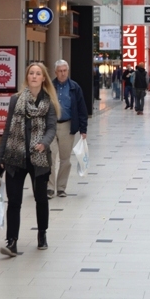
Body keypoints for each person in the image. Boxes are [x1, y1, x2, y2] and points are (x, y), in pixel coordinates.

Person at [0, 63, 60, 256]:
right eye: (31, 73)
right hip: (15, 156)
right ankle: (12, 241)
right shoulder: (16, 100)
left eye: (38, 74)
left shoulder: (49, 102)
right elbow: (7, 129)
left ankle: (42, 234)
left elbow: (51, 128)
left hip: (39, 158)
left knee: (41, 199)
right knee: (14, 201)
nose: (34, 76)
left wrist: (44, 143)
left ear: (43, 78)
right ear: (27, 77)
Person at [49, 59, 88, 198]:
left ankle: (61, 187)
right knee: (50, 157)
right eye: (60, 71)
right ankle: (49, 187)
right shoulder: (49, 87)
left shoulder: (74, 87)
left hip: (67, 125)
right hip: (51, 126)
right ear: (55, 72)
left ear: (68, 71)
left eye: (65, 71)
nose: (62, 73)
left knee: (65, 159)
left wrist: (83, 129)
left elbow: (82, 108)